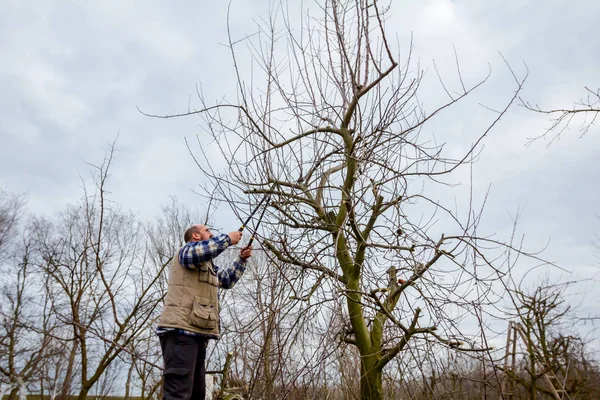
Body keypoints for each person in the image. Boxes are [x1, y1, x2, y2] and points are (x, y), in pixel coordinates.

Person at [157, 224, 252, 400]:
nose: (212, 233)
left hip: (196, 334)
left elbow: (226, 280)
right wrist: (228, 239)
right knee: (178, 394)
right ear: (196, 236)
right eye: (207, 231)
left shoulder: (207, 264)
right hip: (180, 333)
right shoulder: (186, 252)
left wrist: (241, 259)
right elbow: (202, 252)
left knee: (197, 394)